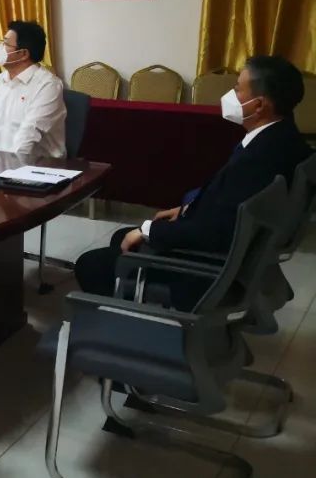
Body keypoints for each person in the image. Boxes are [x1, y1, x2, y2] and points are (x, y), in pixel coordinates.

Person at [75, 55, 311, 310]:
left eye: (237, 89)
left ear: (259, 105)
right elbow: (230, 201)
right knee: (122, 237)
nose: (230, 95)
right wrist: (188, 209)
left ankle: (127, 323)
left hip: (205, 266)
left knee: (91, 264)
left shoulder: (258, 160)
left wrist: (148, 230)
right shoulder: (285, 139)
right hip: (227, 247)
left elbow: (215, 232)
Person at [0, 20, 66, 159]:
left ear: (23, 53)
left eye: (5, 44)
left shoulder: (48, 85)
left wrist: (11, 167)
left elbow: (29, 134)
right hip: (3, 164)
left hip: (40, 166)